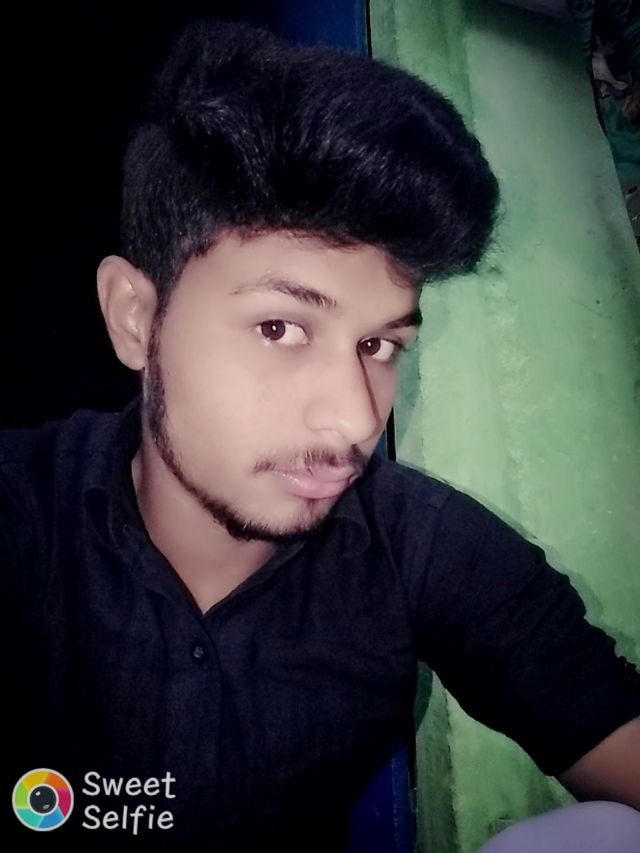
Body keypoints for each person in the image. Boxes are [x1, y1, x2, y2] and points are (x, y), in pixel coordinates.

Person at [2, 18, 639, 852]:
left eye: (378, 346)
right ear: (135, 318)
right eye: (281, 328)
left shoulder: (419, 548)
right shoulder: (26, 520)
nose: (357, 418)